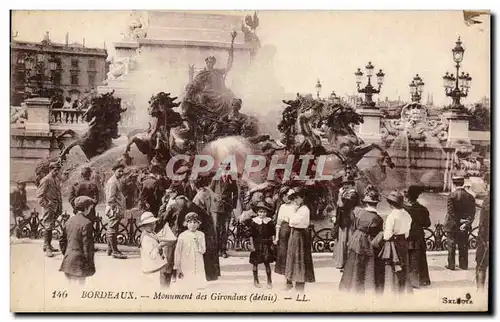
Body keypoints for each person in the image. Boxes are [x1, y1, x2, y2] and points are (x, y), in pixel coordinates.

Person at [159, 186, 220, 282]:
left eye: (170, 193)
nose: (169, 195)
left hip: (173, 236)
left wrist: (163, 205)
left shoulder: (173, 206)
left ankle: (166, 286)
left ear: (175, 194)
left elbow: (162, 219)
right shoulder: (194, 206)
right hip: (189, 237)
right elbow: (205, 222)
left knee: (169, 263)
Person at [339, 185, 384, 294]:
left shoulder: (359, 213)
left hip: (356, 237)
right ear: (376, 203)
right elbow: (376, 233)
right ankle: (367, 286)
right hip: (367, 241)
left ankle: (350, 286)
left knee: (353, 262)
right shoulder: (377, 218)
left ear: (366, 203)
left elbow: (354, 225)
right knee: (368, 264)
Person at [379, 190, 412, 294]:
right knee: (403, 267)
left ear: (391, 204)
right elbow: (407, 233)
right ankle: (403, 291)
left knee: (392, 267)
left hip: (393, 244)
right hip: (403, 243)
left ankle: (393, 291)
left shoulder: (391, 216)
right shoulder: (407, 214)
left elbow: (387, 236)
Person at [59, 196, 97, 285]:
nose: (90, 210)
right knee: (80, 289)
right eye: (90, 208)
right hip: (80, 263)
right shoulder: (87, 223)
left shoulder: (68, 221)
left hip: (68, 261)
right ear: (86, 208)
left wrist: (67, 254)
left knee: (69, 289)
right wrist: (89, 264)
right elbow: (87, 247)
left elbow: (62, 241)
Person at [285, 187, 315, 292]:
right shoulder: (299, 209)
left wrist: (292, 212)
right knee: (294, 258)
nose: (295, 201)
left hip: (300, 234)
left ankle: (299, 285)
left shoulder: (304, 209)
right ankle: (294, 282)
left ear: (302, 198)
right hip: (295, 234)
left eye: (297, 198)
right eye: (293, 199)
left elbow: (292, 222)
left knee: (299, 258)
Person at [444, 173, 476, 271]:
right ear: (463, 183)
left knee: (451, 244)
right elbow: (473, 212)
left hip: (452, 224)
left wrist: (458, 221)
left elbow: (451, 212)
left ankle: (451, 265)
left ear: (453, 183)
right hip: (464, 225)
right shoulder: (470, 197)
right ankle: (463, 265)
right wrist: (466, 223)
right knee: (463, 245)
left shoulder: (452, 196)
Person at [403, 185, 431, 288]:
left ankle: (408, 280)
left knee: (408, 257)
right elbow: (427, 224)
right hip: (418, 234)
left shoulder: (404, 208)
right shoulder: (422, 209)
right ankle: (422, 280)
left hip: (407, 234)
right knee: (419, 257)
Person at [245, 201, 276, 288]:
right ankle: (256, 280)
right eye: (260, 212)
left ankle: (269, 281)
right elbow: (251, 235)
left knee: (267, 263)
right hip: (257, 244)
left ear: (267, 213)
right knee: (255, 263)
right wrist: (252, 245)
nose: (262, 214)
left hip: (266, 244)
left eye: (264, 212)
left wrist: (273, 243)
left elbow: (272, 233)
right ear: (257, 212)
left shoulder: (269, 221)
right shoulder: (254, 222)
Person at [210, 166, 238, 258]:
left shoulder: (232, 179)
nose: (225, 171)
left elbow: (236, 192)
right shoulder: (215, 178)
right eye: (223, 169)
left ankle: (223, 250)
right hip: (216, 207)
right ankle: (216, 250)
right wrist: (215, 199)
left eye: (227, 169)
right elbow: (210, 191)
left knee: (225, 229)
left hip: (227, 207)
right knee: (216, 228)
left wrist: (233, 205)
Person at [332, 174, 359, 270]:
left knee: (346, 240)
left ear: (352, 184)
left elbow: (341, 205)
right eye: (344, 184)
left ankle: (347, 263)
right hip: (343, 219)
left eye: (347, 184)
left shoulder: (353, 194)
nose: (345, 186)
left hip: (348, 220)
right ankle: (342, 262)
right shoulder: (346, 193)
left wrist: (339, 195)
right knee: (342, 240)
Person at [174, 212, 207, 290]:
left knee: (198, 282)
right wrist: (177, 265)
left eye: (195, 222)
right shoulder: (182, 236)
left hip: (198, 261)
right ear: (186, 224)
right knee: (186, 282)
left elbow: (203, 250)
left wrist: (197, 243)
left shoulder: (201, 235)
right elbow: (178, 251)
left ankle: (198, 285)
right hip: (186, 261)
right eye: (190, 222)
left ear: (198, 224)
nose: (193, 224)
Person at [36, 161, 62, 257]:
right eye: (55, 170)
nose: (57, 172)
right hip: (49, 208)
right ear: (50, 169)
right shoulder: (46, 180)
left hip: (55, 207)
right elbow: (39, 196)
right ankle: (47, 247)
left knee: (51, 226)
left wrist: (59, 207)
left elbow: (58, 194)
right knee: (48, 226)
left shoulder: (56, 180)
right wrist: (47, 205)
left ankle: (47, 245)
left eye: (58, 170)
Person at [273, 188, 297, 287]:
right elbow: (278, 223)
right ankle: (288, 281)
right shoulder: (282, 207)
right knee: (284, 255)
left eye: (286, 195)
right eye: (282, 196)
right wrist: (277, 237)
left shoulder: (296, 206)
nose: (284, 198)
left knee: (293, 254)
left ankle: (295, 278)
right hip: (283, 232)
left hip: (293, 230)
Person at [138, 212, 169, 286]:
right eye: (150, 224)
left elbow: (156, 238)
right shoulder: (146, 238)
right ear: (144, 226)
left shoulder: (151, 233)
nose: (153, 226)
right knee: (155, 286)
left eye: (153, 224)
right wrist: (159, 247)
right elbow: (151, 255)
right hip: (152, 268)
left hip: (156, 265)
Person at [104, 163, 127, 259]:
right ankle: (115, 251)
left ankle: (109, 249)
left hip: (116, 208)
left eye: (122, 171)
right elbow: (110, 198)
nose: (121, 173)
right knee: (112, 230)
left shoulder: (116, 180)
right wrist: (115, 208)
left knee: (113, 228)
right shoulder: (112, 182)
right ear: (114, 171)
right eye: (119, 171)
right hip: (114, 209)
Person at [476, 173, 490, 290]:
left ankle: (479, 291)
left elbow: (483, 224)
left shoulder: (488, 199)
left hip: (486, 240)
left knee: (481, 265)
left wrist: (483, 240)